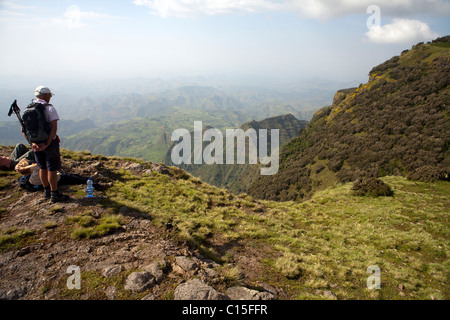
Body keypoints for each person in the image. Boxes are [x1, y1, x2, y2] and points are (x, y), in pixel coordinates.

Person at [26, 86, 68, 203]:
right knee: (52, 168)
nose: (50, 98)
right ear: (45, 96)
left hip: (36, 145)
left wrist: (33, 143)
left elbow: (24, 130)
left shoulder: (28, 109)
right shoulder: (49, 108)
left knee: (42, 167)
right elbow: (54, 128)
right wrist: (48, 143)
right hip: (49, 144)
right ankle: (54, 194)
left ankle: (46, 192)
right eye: (49, 95)